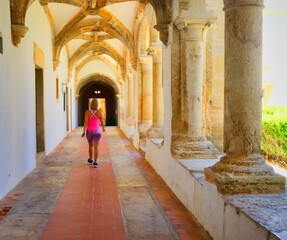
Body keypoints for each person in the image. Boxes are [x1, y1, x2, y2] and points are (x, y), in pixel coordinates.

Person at [81, 98, 105, 168]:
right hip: (97, 131)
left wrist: (83, 131)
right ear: (97, 104)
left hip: (89, 131)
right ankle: (95, 163)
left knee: (90, 146)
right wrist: (103, 128)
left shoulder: (87, 112)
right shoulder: (99, 112)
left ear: (91, 104)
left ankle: (90, 159)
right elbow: (102, 121)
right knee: (96, 147)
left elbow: (86, 122)